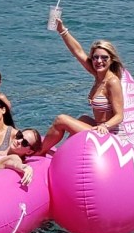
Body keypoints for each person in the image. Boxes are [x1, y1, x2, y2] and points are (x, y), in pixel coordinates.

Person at [36, 18, 125, 156]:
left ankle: (39, 153)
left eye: (104, 58)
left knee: (61, 120)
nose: (99, 61)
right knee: (83, 118)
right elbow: (78, 52)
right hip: (98, 126)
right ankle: (65, 154)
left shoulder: (112, 81)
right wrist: (61, 29)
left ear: (111, 59)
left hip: (107, 133)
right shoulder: (98, 75)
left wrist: (105, 126)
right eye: (95, 57)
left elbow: (119, 115)